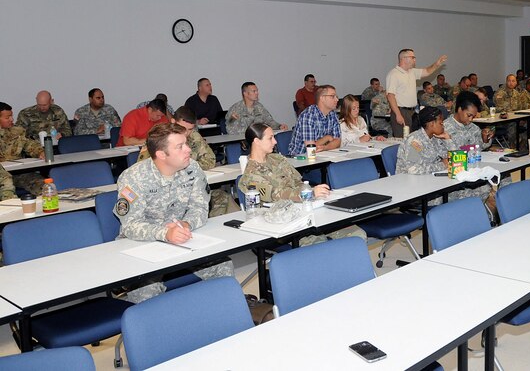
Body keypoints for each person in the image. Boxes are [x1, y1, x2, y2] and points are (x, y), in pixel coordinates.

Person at [115, 123, 233, 303]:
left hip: (183, 238)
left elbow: (200, 207)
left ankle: (220, 318)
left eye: (186, 143)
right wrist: (165, 233)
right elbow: (130, 225)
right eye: (180, 147)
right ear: (161, 154)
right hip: (144, 245)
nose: (188, 150)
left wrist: (186, 224)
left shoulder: (192, 169)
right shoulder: (133, 177)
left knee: (223, 266)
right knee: (145, 292)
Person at [238, 123, 365, 245]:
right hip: (285, 223)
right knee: (320, 246)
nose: (275, 142)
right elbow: (277, 196)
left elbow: (298, 182)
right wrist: (308, 193)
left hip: (305, 209)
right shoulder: (251, 176)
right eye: (270, 138)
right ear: (256, 141)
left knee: (356, 234)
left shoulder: (277, 159)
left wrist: (314, 192)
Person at [386, 49, 447, 137]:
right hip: (401, 111)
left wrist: (436, 64)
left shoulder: (412, 71)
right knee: (402, 140)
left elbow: (427, 71)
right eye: (413, 57)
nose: (415, 60)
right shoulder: (394, 74)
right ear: (404, 58)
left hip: (412, 112)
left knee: (413, 139)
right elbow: (390, 96)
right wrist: (398, 114)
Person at [137, 107, 215, 171]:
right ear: (173, 122)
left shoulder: (194, 136)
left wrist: (185, 167)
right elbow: (143, 168)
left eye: (190, 129)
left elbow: (210, 161)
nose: (186, 132)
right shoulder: (157, 137)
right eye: (183, 128)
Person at [0, 102, 45, 195]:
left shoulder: (17, 131)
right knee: (7, 186)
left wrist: (40, 152)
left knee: (42, 184)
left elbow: (30, 144)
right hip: (2, 177)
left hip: (18, 173)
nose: (12, 119)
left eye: (11, 116)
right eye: (7, 118)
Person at [396, 106, 453, 175]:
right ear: (431, 124)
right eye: (441, 123)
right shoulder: (415, 141)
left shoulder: (435, 138)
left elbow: (452, 158)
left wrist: (448, 139)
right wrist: (442, 165)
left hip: (427, 178)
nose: (443, 126)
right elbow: (413, 169)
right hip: (408, 181)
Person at [288, 85, 341, 156]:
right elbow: (311, 148)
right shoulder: (308, 115)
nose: (337, 99)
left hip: (323, 155)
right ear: (322, 98)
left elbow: (337, 141)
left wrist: (325, 147)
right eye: (332, 96)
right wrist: (327, 138)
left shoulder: (333, 114)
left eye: (336, 96)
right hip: (301, 158)